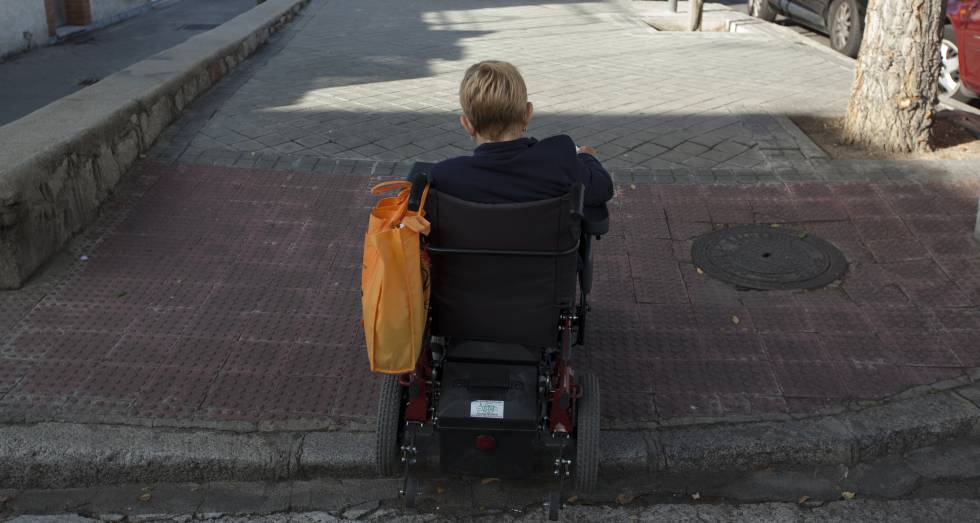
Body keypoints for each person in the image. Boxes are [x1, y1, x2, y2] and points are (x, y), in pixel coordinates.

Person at [429, 61, 613, 207]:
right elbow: (602, 189)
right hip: (547, 254)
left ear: (467, 124)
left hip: (464, 256)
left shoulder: (443, 177)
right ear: (527, 114)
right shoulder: (559, 161)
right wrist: (586, 157)